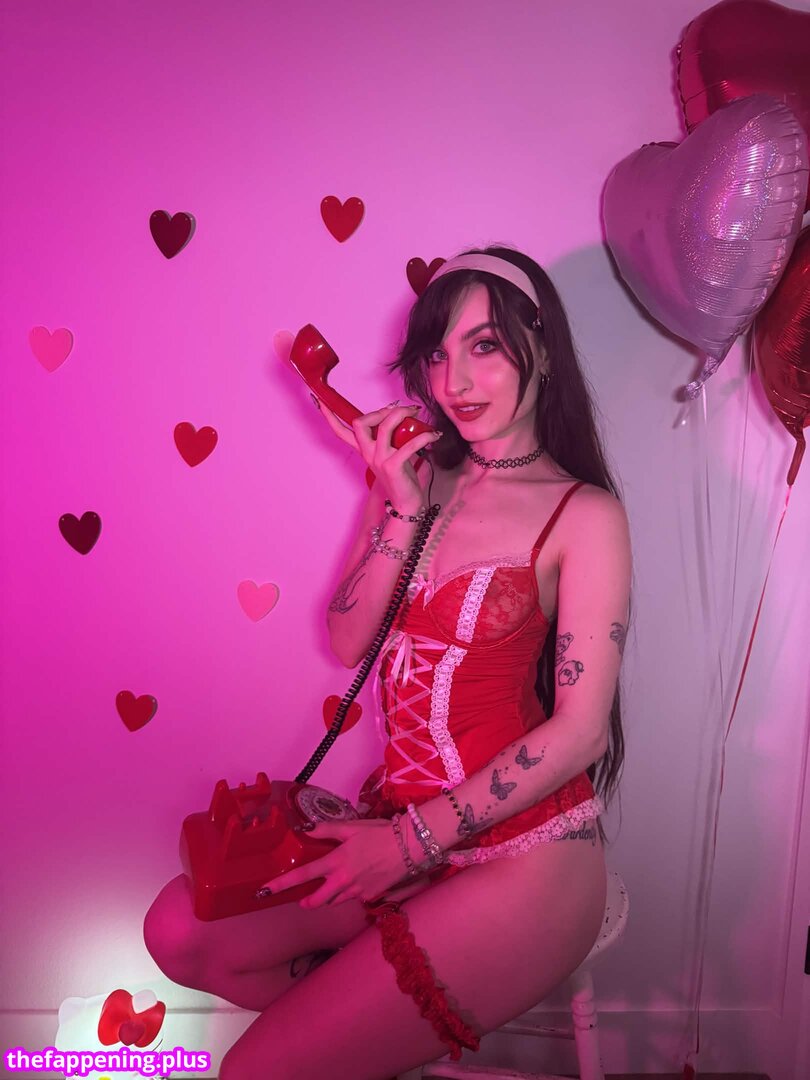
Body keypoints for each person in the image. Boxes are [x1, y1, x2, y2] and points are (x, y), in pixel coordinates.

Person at [142, 246, 632, 1080]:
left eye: (485, 345)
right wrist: (400, 504)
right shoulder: (419, 479)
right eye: (437, 353)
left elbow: (583, 733)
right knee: (178, 931)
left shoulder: (584, 515)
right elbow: (347, 639)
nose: (455, 381)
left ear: (542, 348)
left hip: (528, 856)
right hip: (402, 821)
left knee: (253, 1072)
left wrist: (408, 845)